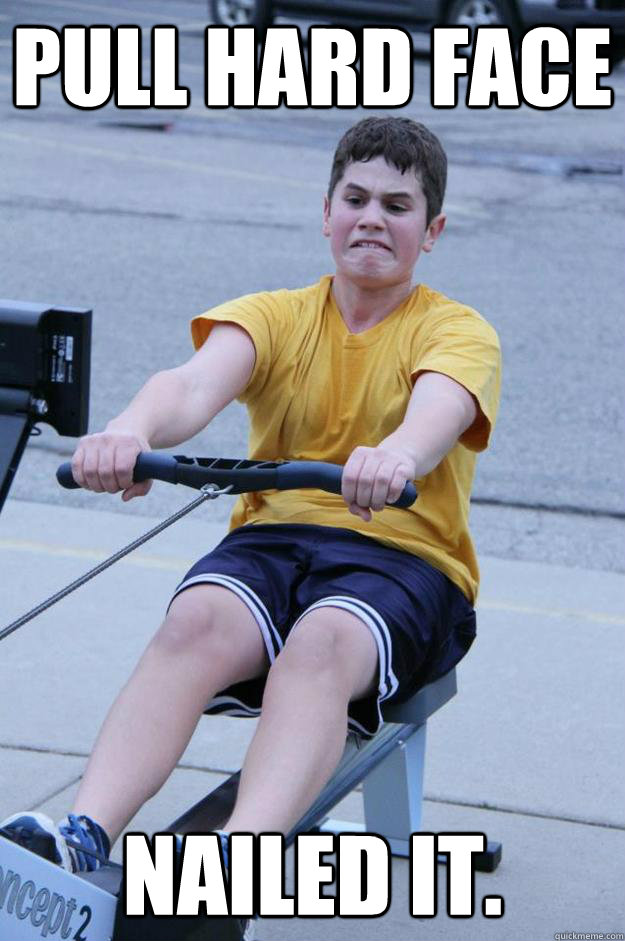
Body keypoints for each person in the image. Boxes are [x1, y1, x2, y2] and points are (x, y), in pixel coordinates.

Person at [2, 117, 501, 882]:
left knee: (322, 642)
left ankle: (237, 857)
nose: (371, 218)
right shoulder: (275, 314)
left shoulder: (456, 330)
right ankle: (82, 832)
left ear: (429, 231)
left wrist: (395, 454)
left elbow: (439, 410)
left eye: (396, 207)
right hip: (273, 543)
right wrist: (128, 431)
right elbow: (192, 384)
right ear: (325, 212)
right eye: (355, 198)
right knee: (195, 618)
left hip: (404, 560)